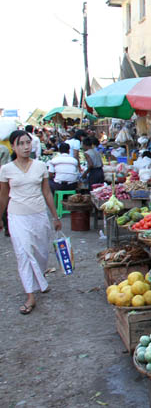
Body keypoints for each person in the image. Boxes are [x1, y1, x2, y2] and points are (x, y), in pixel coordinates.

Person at [0, 130, 62, 314]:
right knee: (23, 253)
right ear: (13, 146)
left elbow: (47, 193)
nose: (26, 147)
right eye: (21, 143)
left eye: (28, 142)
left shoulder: (40, 166)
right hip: (17, 217)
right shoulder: (6, 169)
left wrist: (55, 217)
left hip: (39, 216)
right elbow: (3, 196)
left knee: (41, 252)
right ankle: (30, 296)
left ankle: (40, 277)